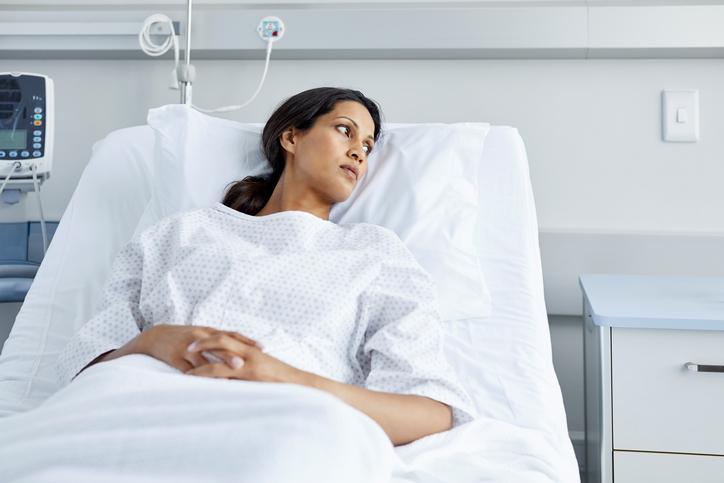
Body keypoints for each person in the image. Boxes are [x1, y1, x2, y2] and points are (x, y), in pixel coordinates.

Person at [55, 87, 476, 447]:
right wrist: (154, 340)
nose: (358, 153)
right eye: (345, 130)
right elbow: (86, 368)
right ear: (291, 137)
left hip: (285, 424)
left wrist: (282, 377)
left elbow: (431, 411)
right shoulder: (179, 234)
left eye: (367, 146)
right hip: (141, 412)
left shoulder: (374, 252)